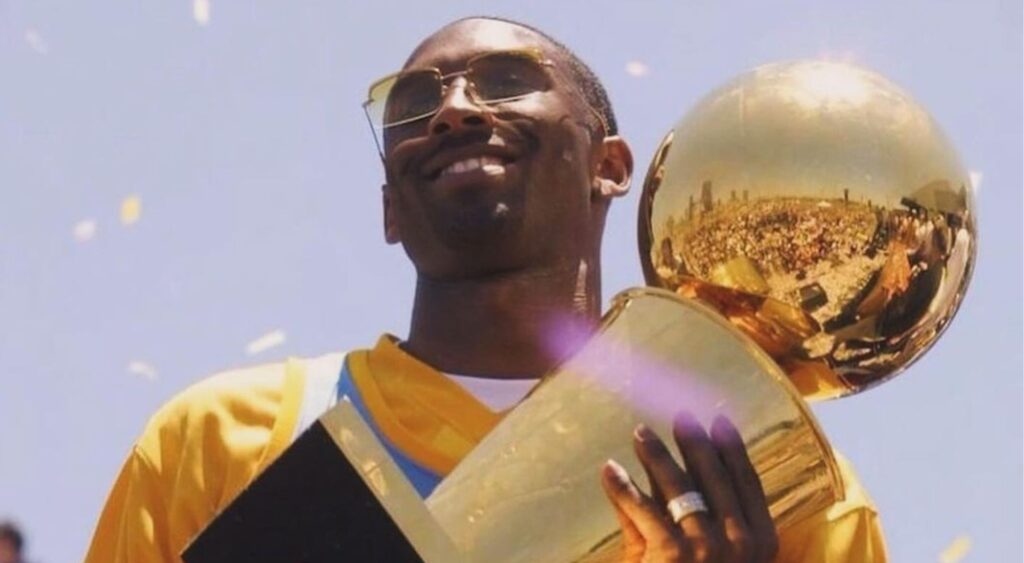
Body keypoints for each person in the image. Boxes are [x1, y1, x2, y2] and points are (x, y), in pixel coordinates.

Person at [86, 16, 887, 562]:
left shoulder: (756, 470)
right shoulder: (225, 440)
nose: (454, 111)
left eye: (505, 80)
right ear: (391, 207)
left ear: (609, 165)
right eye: (412, 105)